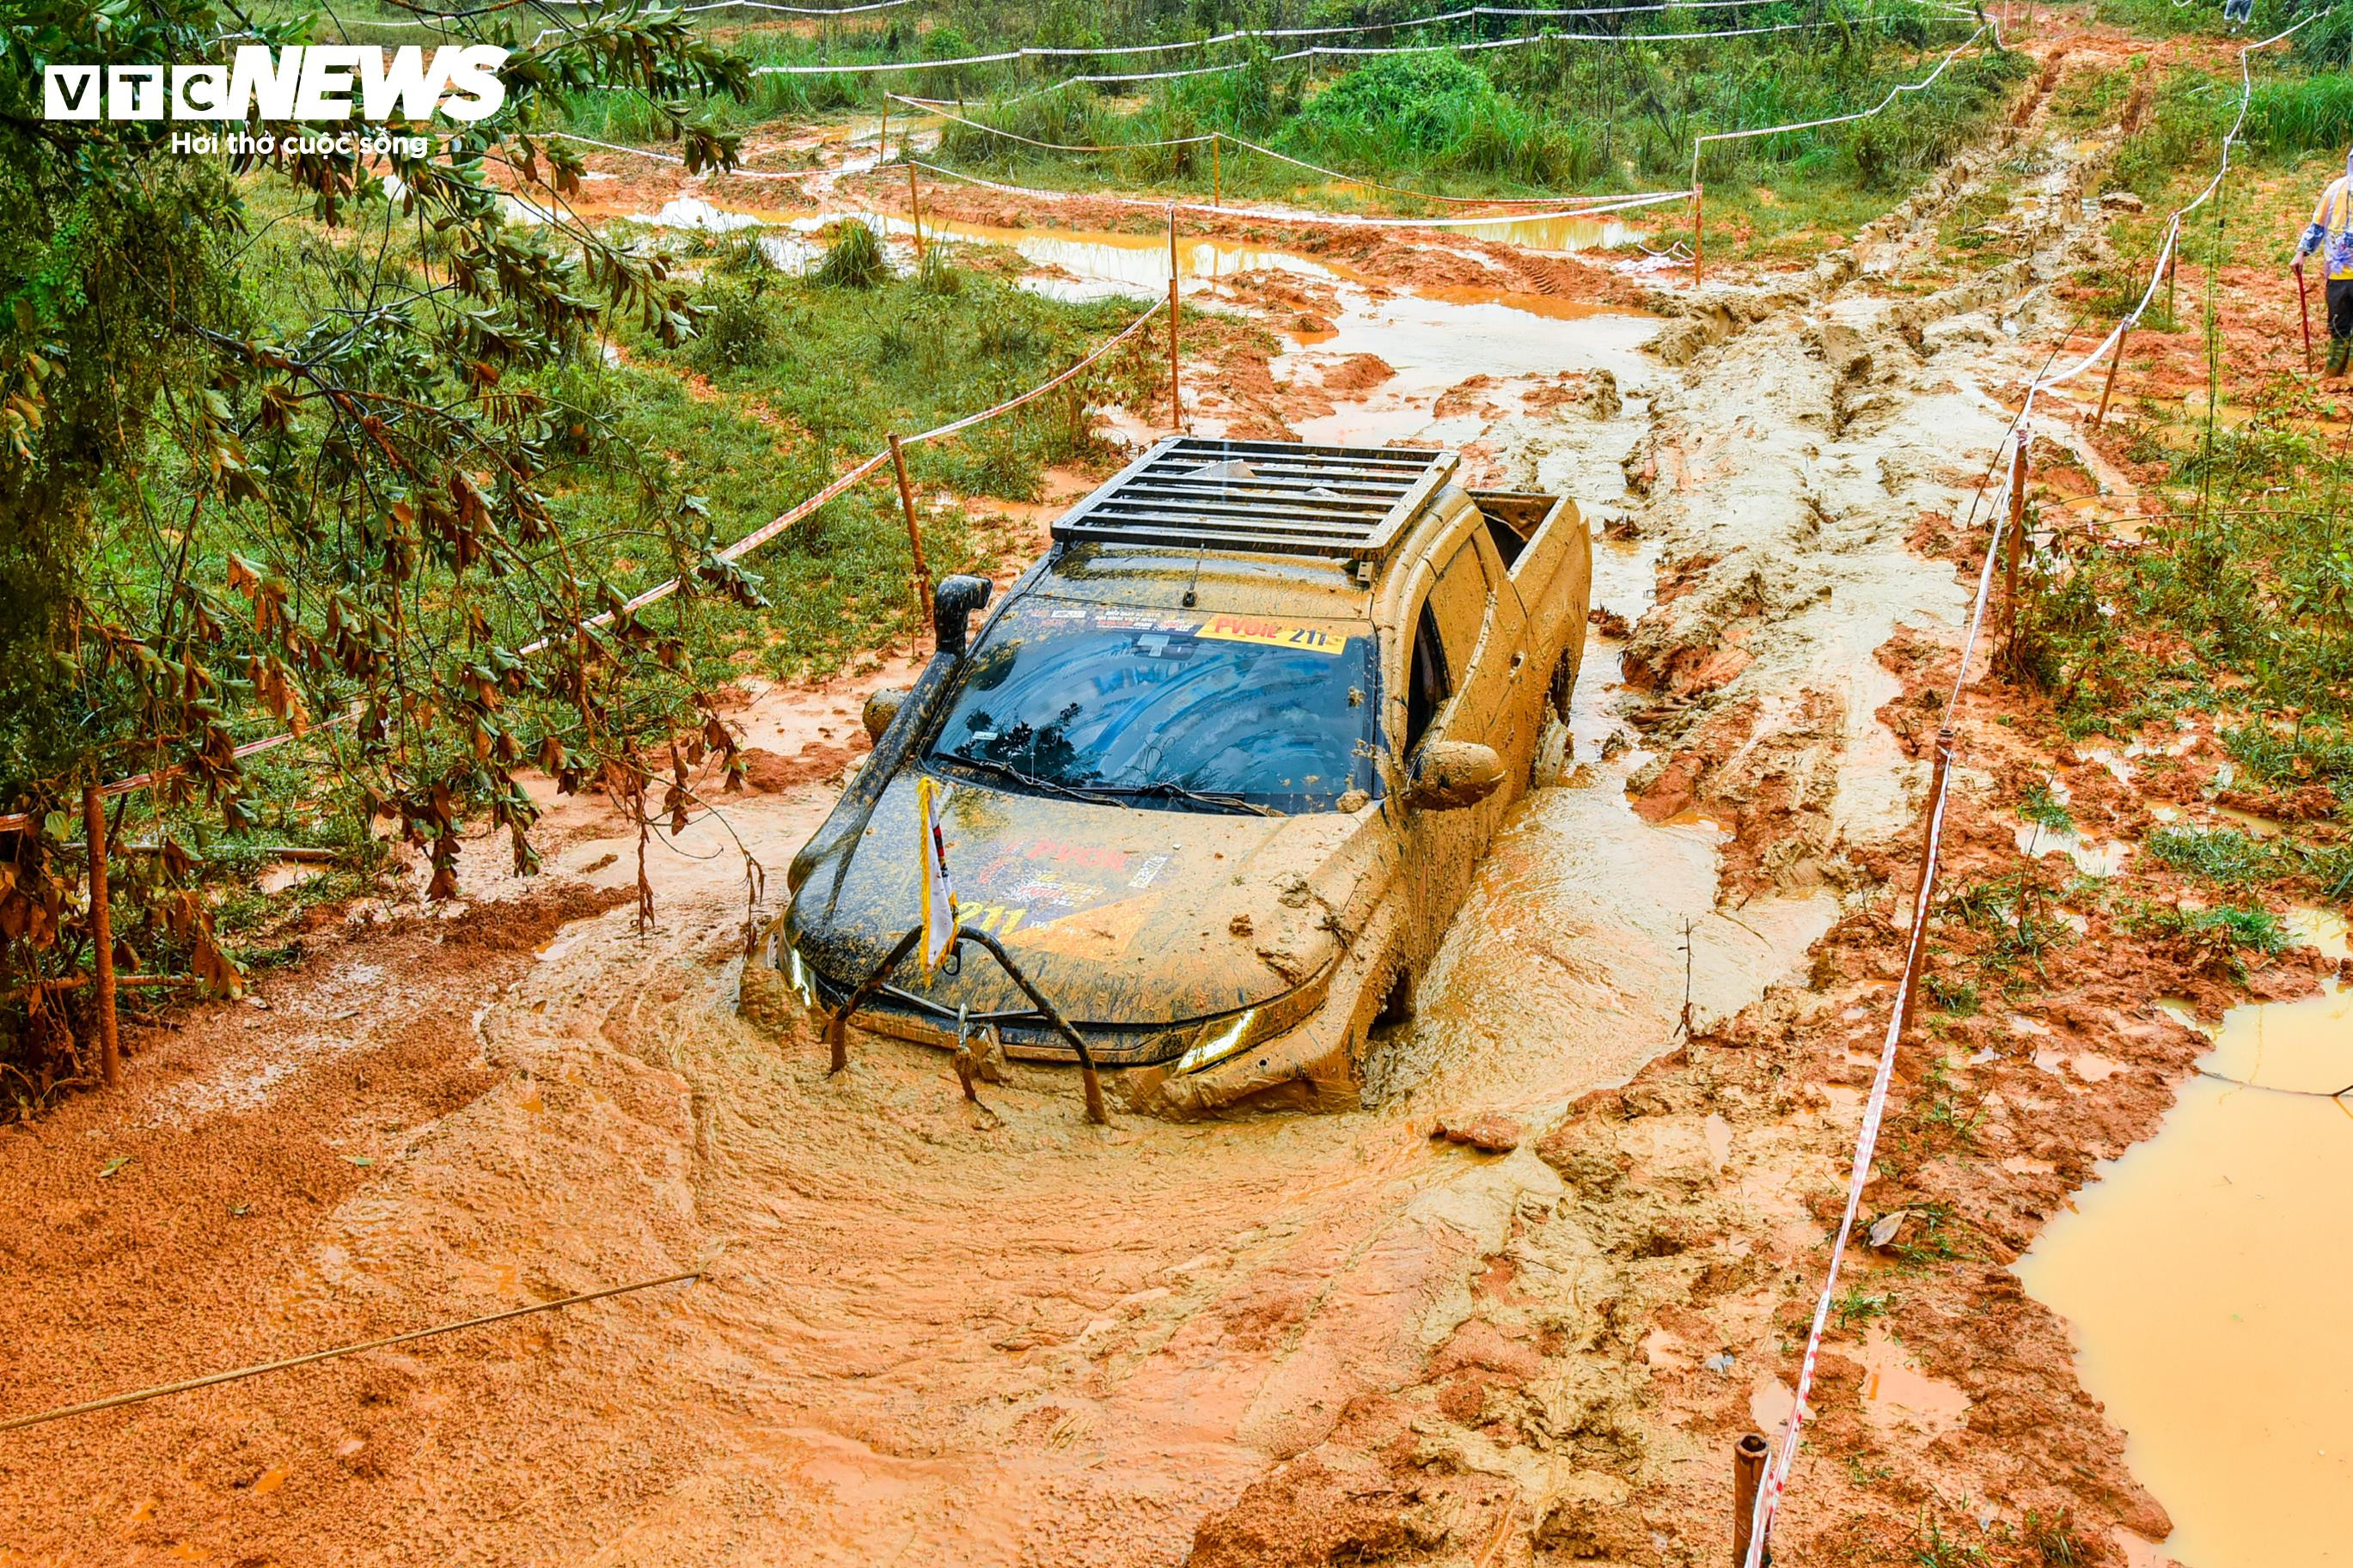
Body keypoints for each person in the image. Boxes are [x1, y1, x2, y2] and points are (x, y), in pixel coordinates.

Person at [2294, 148, 2353, 377]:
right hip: (2338, 272)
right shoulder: (2335, 190)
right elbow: (2317, 226)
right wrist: (2302, 252)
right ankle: (2333, 370)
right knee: (2338, 323)